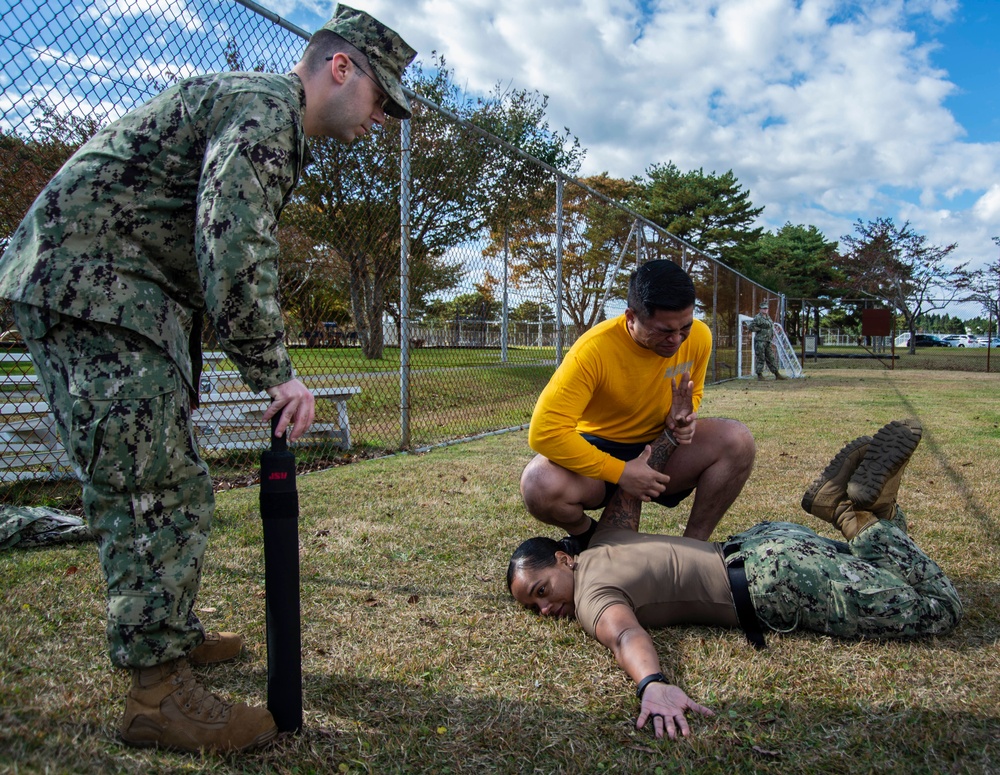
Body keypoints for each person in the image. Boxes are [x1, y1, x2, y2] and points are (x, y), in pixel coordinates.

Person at [0, 4, 416, 754]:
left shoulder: (264, 111)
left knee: (172, 471)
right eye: (381, 97)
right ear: (340, 67)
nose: (380, 119)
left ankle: (172, 633)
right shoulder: (267, 112)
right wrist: (276, 373)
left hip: (116, 292)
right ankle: (157, 693)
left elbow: (196, 240)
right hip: (89, 287)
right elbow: (232, 243)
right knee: (152, 485)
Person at [508, 418, 963, 741]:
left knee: (939, 607)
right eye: (535, 607)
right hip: (765, 542)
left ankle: (848, 513)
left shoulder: (592, 596)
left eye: (541, 590)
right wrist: (670, 431)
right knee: (887, 571)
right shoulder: (610, 533)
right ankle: (875, 512)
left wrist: (652, 684)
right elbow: (642, 475)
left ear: (565, 559)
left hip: (779, 580)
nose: (546, 609)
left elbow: (625, 634)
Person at [520, 259, 755, 546]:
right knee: (538, 483)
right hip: (597, 449)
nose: (676, 339)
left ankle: (693, 548)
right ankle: (587, 536)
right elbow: (545, 432)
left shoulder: (699, 337)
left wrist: (684, 418)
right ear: (631, 317)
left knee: (737, 440)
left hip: (660, 446)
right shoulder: (593, 351)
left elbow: (693, 392)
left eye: (685, 327)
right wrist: (621, 472)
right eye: (664, 330)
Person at [746, 300, 786, 380]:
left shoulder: (768, 317)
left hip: (768, 341)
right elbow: (750, 327)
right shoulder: (758, 318)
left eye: (766, 308)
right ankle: (759, 374)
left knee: (771, 357)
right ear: (760, 309)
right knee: (760, 357)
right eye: (763, 308)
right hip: (760, 341)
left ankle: (776, 374)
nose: (765, 310)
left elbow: (770, 327)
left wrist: (773, 332)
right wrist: (760, 330)